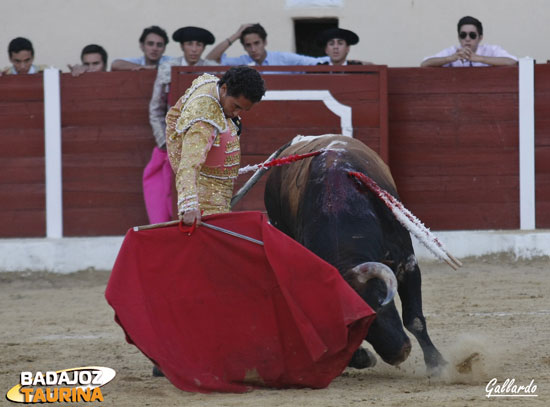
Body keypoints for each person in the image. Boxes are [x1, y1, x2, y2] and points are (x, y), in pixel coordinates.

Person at [166, 66, 266, 225]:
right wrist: (189, 205)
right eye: (236, 106)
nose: (236, 114)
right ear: (225, 89)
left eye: (242, 110)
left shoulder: (214, 87)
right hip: (204, 202)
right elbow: (188, 164)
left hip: (213, 193)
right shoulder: (204, 118)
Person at [144, 26, 218, 223]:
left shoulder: (212, 68)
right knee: (163, 192)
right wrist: (164, 142)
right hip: (172, 142)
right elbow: (156, 109)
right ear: (182, 46)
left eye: (198, 45)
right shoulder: (167, 67)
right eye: (189, 44)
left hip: (204, 142)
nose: (194, 49)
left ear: (203, 47)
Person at [206, 23, 330, 66]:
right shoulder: (241, 61)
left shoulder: (282, 58)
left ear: (265, 42)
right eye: (248, 45)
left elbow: (315, 62)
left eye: (256, 43)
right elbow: (210, 60)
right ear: (244, 47)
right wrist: (236, 35)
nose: (253, 49)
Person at [421, 16, 517, 67]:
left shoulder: (491, 50)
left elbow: (513, 62)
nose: (467, 39)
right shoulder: (453, 51)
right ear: (459, 37)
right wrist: (450, 59)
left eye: (472, 35)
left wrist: (480, 58)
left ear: (480, 38)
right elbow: (425, 63)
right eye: (463, 35)